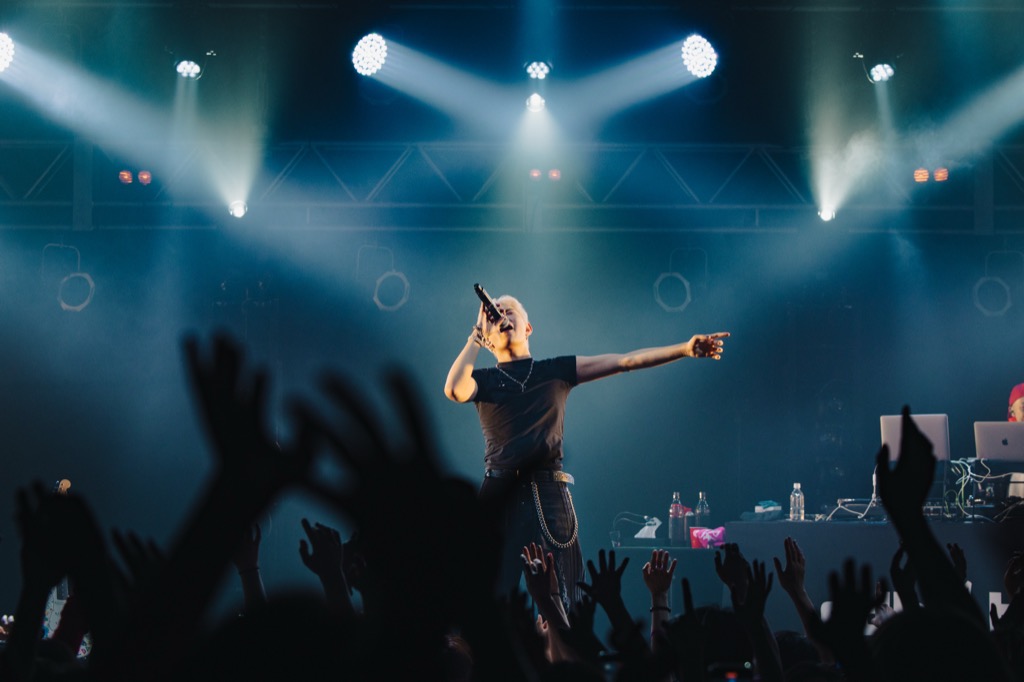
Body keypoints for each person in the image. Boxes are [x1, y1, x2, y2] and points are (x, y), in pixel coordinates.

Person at [443, 292, 729, 609]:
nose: (501, 317)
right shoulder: (483, 380)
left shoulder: (555, 370)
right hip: (500, 491)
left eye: (509, 312)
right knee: (489, 594)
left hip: (549, 491)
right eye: (494, 314)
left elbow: (624, 361)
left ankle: (566, 638)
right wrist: (476, 335)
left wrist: (684, 349)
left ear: (528, 328)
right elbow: (453, 389)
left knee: (567, 595)